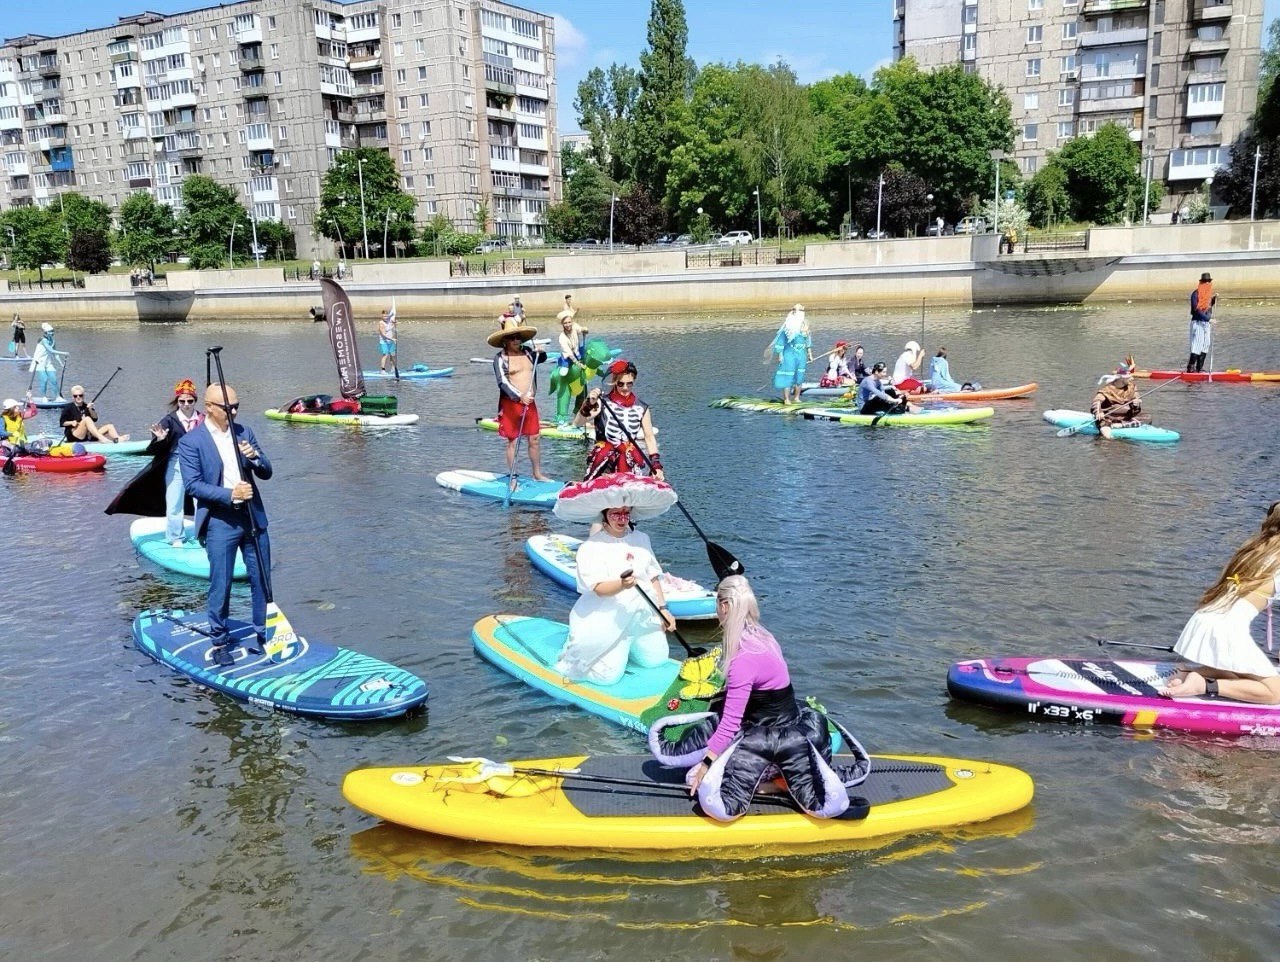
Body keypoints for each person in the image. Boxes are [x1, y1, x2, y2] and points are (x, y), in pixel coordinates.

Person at [647, 575, 870, 822]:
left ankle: (775, 786)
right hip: (797, 725)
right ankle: (780, 779)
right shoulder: (763, 636)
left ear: (722, 607)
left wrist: (705, 765)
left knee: (696, 781)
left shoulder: (742, 659)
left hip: (769, 741)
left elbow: (731, 722)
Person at [177, 384, 273, 667]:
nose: (233, 412)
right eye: (227, 408)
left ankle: (264, 633)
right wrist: (230, 494)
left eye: (237, 406)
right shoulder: (192, 441)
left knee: (263, 581)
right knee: (222, 583)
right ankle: (219, 640)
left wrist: (254, 457)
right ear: (209, 407)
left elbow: (267, 472)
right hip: (220, 521)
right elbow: (194, 485)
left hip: (253, 518)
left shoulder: (244, 432)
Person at [1160, 503, 1280, 705]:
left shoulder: (1254, 549)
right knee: (1275, 693)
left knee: (1237, 674)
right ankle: (1203, 685)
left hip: (1204, 619)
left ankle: (1189, 672)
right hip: (1225, 630)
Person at [553, 504, 678, 686]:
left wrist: (664, 609)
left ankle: (630, 647)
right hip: (609, 616)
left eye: (626, 513)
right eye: (615, 514)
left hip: (643, 612)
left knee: (655, 660)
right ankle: (592, 646)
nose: (621, 519)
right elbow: (597, 588)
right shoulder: (591, 547)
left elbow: (652, 576)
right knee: (607, 677)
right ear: (604, 515)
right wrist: (621, 585)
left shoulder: (641, 539)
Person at [576, 359, 664, 481]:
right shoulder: (602, 402)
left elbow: (649, 437)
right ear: (614, 382)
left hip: (628, 456)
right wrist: (589, 403)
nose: (625, 388)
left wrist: (656, 465)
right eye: (621, 384)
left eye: (629, 384)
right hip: (605, 456)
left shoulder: (642, 407)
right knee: (603, 454)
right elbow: (578, 422)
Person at [490, 316, 549, 489]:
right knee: (513, 442)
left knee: (535, 439)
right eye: (512, 337)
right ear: (505, 340)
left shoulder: (529, 352)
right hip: (511, 405)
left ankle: (537, 473)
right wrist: (518, 396)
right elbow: (502, 382)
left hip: (530, 403)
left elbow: (542, 359)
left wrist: (541, 351)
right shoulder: (500, 358)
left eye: (518, 337)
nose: (516, 340)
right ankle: (513, 476)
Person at [148, 378, 204, 546]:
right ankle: (175, 537)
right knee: (174, 502)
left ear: (195, 401)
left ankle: (203, 535)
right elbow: (154, 449)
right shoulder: (169, 420)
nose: (186, 404)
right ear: (177, 401)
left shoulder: (203, 419)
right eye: (182, 401)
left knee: (201, 502)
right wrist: (161, 439)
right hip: (176, 462)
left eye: (190, 401)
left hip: (198, 464)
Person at [554, 305, 590, 427]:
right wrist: (579, 364)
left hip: (578, 356)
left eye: (569, 322)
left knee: (583, 390)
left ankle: (579, 417)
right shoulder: (562, 338)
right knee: (564, 384)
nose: (568, 325)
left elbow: (580, 329)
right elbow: (570, 354)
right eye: (565, 323)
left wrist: (585, 329)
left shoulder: (574, 326)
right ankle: (561, 419)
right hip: (569, 360)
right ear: (562, 325)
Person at [770, 304, 812, 404]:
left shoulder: (805, 324)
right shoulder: (788, 326)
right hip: (789, 354)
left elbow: (808, 340)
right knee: (788, 376)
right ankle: (787, 399)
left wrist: (810, 353)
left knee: (799, 376)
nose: (802, 312)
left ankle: (797, 397)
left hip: (801, 355)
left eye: (802, 310)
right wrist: (780, 355)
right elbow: (781, 341)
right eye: (800, 310)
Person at [1090, 361, 1142, 439]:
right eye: (1128, 377)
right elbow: (1097, 401)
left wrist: (1137, 403)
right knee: (1102, 421)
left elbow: (1137, 398)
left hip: (1126, 417)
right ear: (1121, 378)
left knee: (1148, 417)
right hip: (1110, 417)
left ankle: (1117, 426)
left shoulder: (1132, 387)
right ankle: (1110, 435)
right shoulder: (1107, 389)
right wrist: (1098, 412)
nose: (1132, 378)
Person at [60, 385, 128, 443]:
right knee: (87, 419)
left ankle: (118, 439)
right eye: (75, 396)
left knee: (109, 426)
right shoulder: (68, 407)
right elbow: (62, 423)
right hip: (74, 435)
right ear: (73, 397)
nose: (78, 397)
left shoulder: (87, 406)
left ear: (83, 396)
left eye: (80, 395)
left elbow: (95, 418)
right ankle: (102, 438)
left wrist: (90, 409)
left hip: (87, 435)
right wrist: (71, 422)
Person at [29, 323, 67, 402]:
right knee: (45, 379)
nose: (52, 333)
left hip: (47, 363)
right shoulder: (42, 340)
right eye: (50, 332)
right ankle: (44, 397)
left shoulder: (53, 341)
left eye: (52, 331)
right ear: (46, 332)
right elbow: (50, 350)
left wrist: (61, 364)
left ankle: (57, 397)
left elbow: (55, 354)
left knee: (54, 379)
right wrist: (64, 353)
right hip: (38, 363)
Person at [1187, 271, 1216, 373]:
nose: (1207, 284)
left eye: (1209, 282)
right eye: (1205, 282)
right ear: (1202, 283)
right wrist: (1208, 319)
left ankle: (1199, 368)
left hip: (1206, 324)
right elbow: (1197, 310)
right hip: (1198, 322)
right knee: (1197, 344)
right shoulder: (1195, 294)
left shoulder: (1208, 295)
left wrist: (1213, 301)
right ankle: (1190, 368)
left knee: (1206, 344)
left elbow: (1207, 308)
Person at [377, 306, 397, 373]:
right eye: (384, 316)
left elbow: (392, 325)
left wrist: (394, 323)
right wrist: (392, 339)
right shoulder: (381, 323)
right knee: (385, 354)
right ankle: (383, 370)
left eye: (386, 316)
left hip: (391, 341)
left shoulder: (389, 321)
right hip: (384, 341)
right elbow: (383, 334)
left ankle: (393, 368)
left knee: (392, 355)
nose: (385, 317)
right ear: (382, 316)